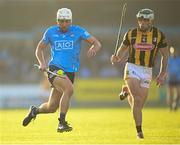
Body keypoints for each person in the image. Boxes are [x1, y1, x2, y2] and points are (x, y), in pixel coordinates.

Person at [22, 8, 101, 133]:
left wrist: (94, 48)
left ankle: (34, 111)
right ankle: (61, 123)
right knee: (69, 90)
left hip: (70, 72)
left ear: (70, 21)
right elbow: (39, 49)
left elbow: (96, 43)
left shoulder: (78, 31)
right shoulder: (50, 32)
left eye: (66, 21)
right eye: (61, 21)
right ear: (57, 21)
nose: (64, 24)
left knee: (51, 107)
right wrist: (42, 63)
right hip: (55, 70)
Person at [111, 8, 168, 139]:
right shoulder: (131, 33)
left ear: (151, 21)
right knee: (137, 99)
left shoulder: (159, 35)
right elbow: (122, 49)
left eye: (146, 20)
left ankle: (126, 90)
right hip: (132, 67)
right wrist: (117, 57)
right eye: (140, 19)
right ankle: (139, 132)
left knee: (139, 104)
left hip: (148, 70)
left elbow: (165, 55)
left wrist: (162, 73)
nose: (142, 22)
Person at [167, 47, 180, 111]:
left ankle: (175, 103)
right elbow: (167, 70)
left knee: (178, 93)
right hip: (171, 78)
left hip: (177, 78)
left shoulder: (179, 60)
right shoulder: (169, 60)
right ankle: (170, 106)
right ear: (171, 52)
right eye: (173, 51)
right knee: (170, 93)